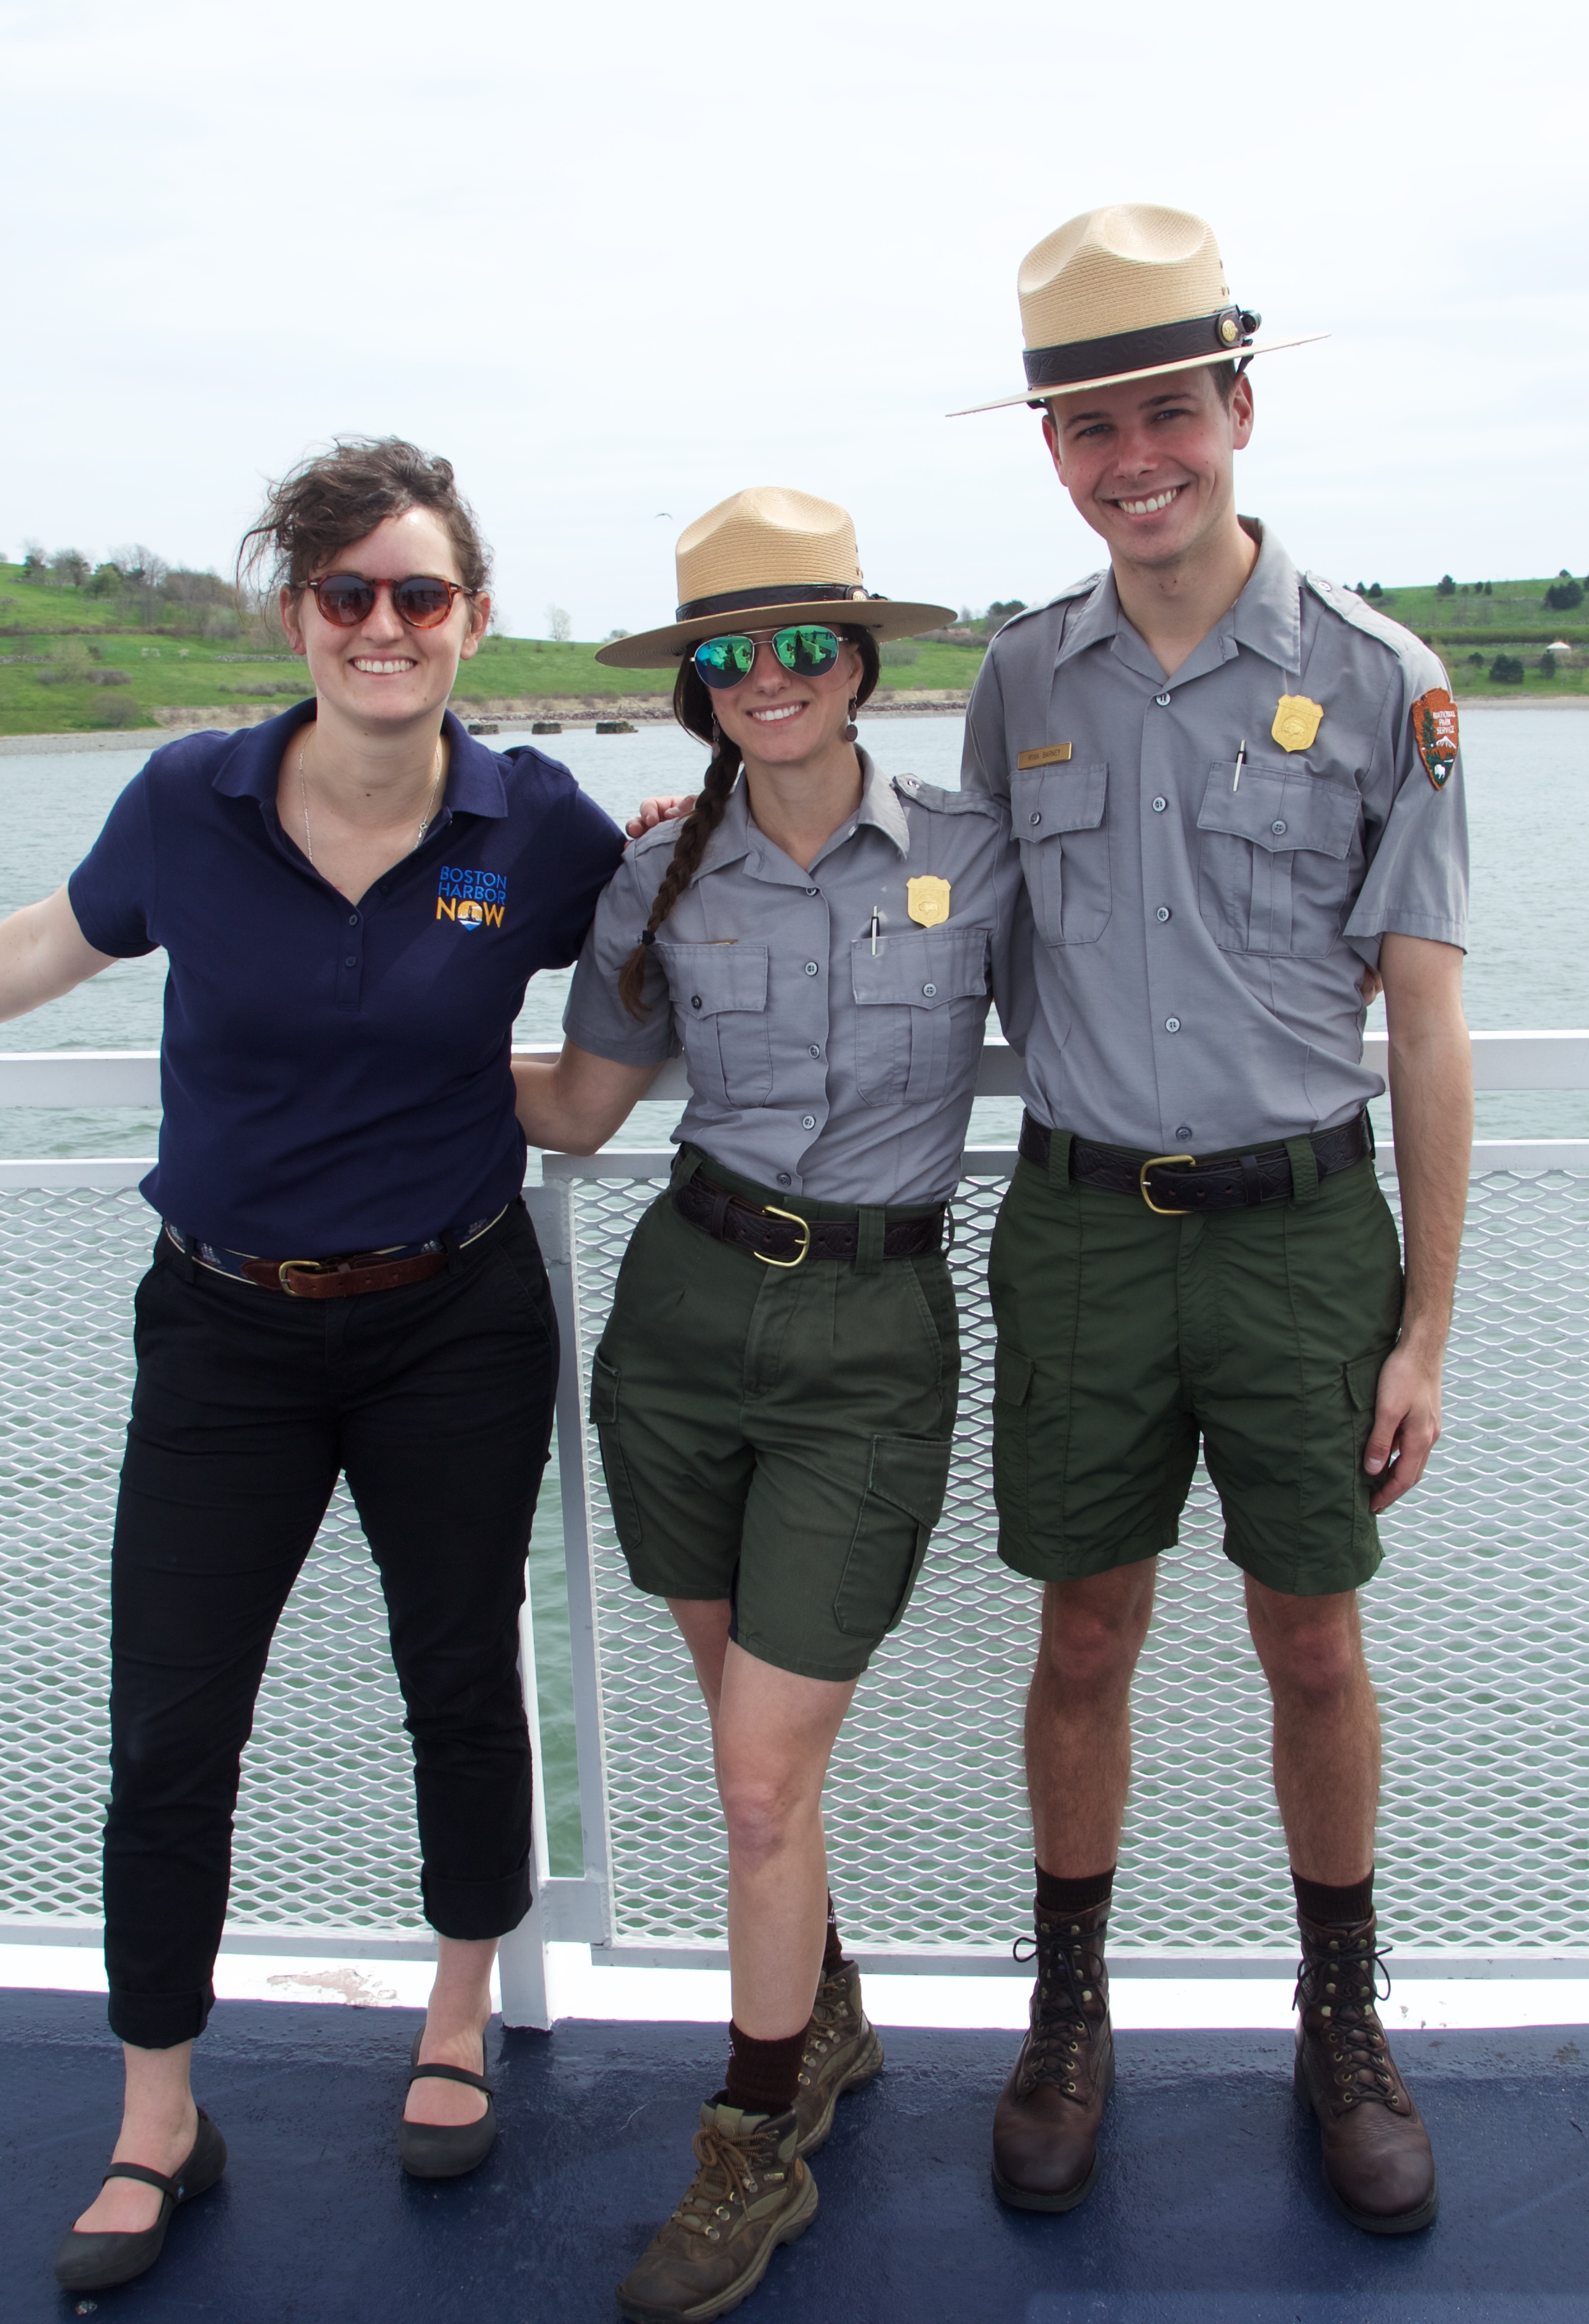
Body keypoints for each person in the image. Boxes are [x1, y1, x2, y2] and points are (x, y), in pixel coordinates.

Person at [0, 436, 625, 2294]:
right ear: (298, 618)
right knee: (175, 1722)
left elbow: (666, 944)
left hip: (453, 1316)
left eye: (420, 595)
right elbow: (65, 935)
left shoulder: (539, 824)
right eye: (348, 596)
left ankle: (455, 2011)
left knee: (459, 1677)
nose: (385, 627)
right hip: (227, 1328)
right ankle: (157, 2111)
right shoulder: (194, 799)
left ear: (474, 620)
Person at [950, 204, 1473, 2235]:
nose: (1132, 459)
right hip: (1081, 1231)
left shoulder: (1382, 684)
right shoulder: (1018, 681)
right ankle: (1068, 2012)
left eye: (1168, 411)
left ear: (1238, 411)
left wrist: (1427, 1327)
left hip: (1298, 1237)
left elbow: (1424, 1027)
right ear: (1056, 455)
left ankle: (1341, 2021)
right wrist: (704, 842)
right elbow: (944, 927)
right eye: (1088, 429)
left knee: (1313, 1640)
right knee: (1084, 1636)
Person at [512, 487, 1007, 2324]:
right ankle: (831, 2018)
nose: (771, 677)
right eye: (733, 653)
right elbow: (576, 1112)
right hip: (683, 1323)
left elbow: (1123, 1011)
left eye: (806, 643)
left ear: (863, 662)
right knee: (754, 1764)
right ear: (698, 686)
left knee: (748, 1777)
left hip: (875, 1345)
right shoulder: (654, 878)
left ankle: (750, 2141)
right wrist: (329, 1073)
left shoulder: (980, 849)